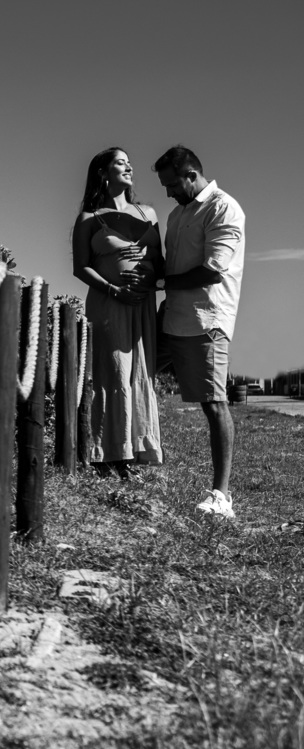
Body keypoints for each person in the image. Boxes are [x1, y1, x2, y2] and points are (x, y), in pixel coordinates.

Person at [145, 145, 245, 518]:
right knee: (134, 376)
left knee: (213, 403)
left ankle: (222, 496)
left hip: (207, 320)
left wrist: (157, 281)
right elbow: (174, 264)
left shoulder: (224, 208)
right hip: (169, 317)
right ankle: (124, 456)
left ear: (190, 174)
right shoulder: (176, 214)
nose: (168, 192)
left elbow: (212, 270)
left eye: (172, 184)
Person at [71, 147, 164, 480]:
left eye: (129, 163)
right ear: (103, 172)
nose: (129, 167)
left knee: (139, 374)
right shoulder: (88, 219)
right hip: (109, 304)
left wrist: (148, 279)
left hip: (142, 305)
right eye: (121, 163)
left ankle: (137, 451)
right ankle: (109, 455)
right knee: (113, 373)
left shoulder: (149, 213)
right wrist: (114, 290)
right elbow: (80, 268)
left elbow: (161, 264)